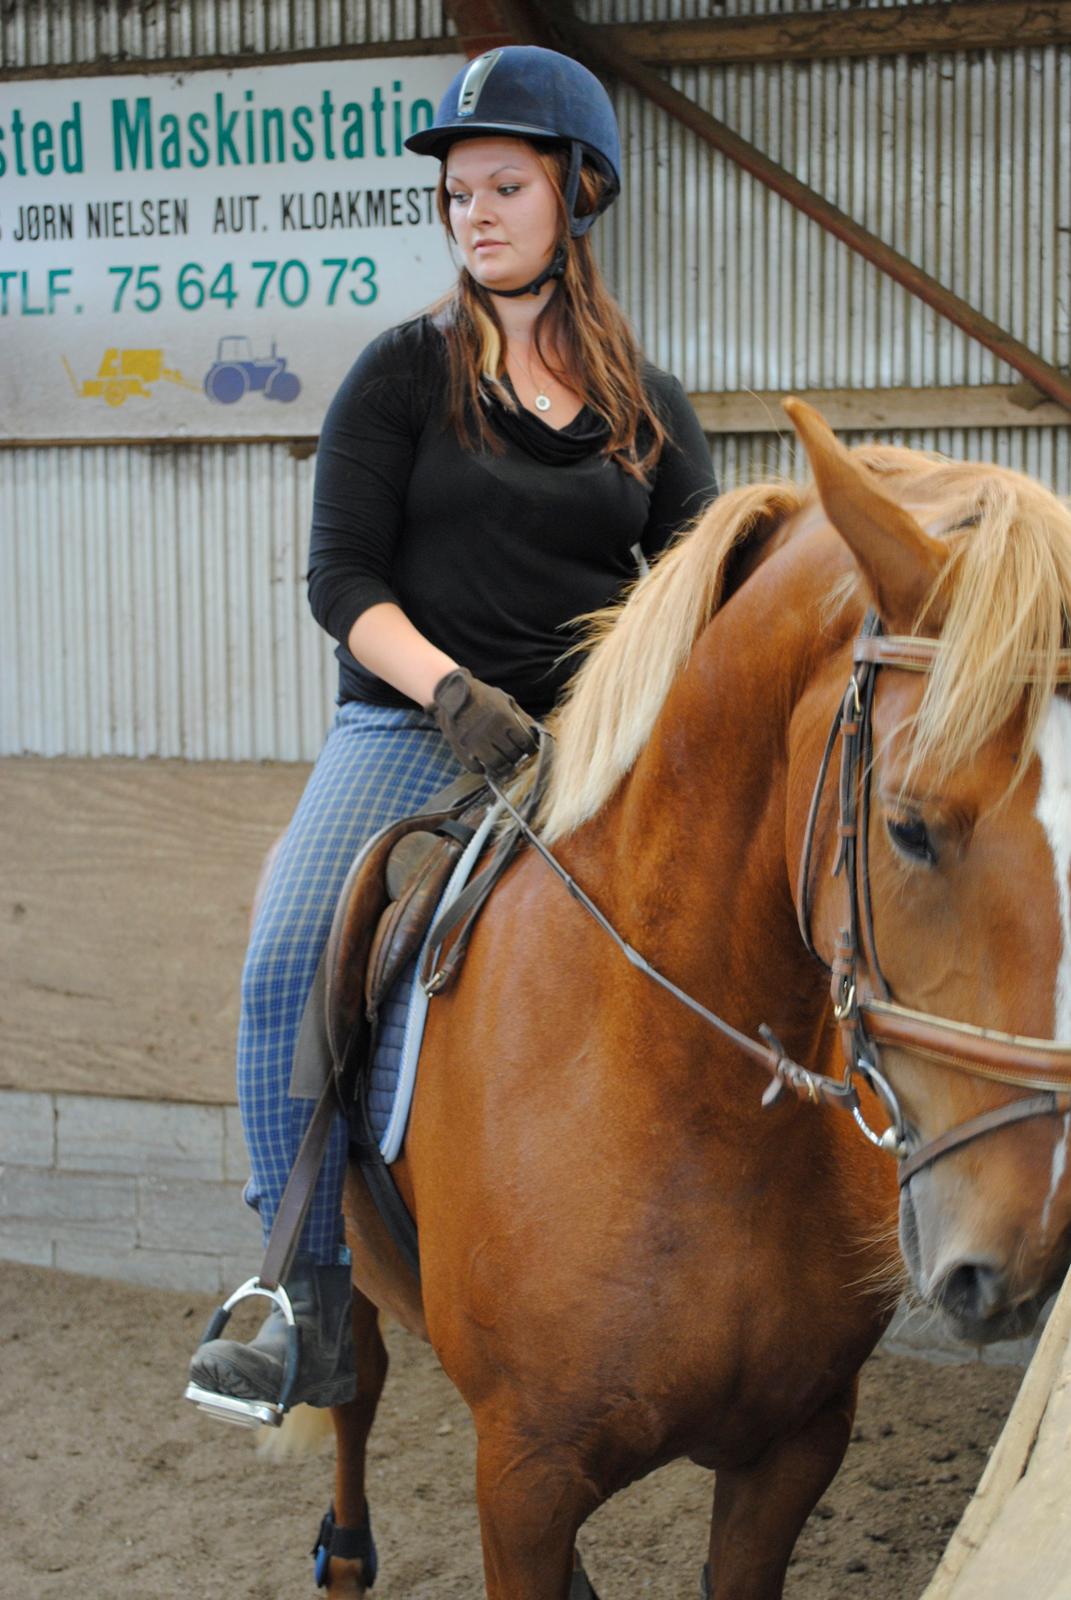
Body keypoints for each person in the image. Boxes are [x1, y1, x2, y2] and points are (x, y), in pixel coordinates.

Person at [187, 44, 718, 1414]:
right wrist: (450, 694)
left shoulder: (650, 410)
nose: (472, 213)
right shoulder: (400, 377)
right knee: (284, 954)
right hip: (414, 730)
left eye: (503, 187)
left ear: (576, 192)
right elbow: (341, 581)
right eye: (457, 192)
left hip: (586, 746)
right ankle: (299, 1299)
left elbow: (695, 593)